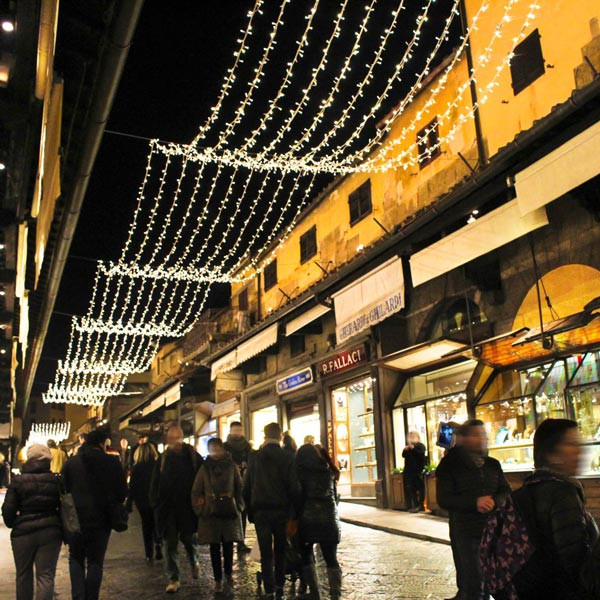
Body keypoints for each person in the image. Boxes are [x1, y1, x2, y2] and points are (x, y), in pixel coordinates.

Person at [509, 419, 599, 600]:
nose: (580, 450)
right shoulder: (562, 494)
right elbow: (576, 562)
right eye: (572, 444)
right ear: (552, 455)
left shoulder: (529, 488)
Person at [436, 419, 510, 600]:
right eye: (476, 435)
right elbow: (444, 499)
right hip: (466, 530)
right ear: (464, 439)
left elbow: (505, 491)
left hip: (494, 530)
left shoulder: (493, 464)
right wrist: (474, 502)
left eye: (483, 435)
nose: (482, 439)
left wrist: (495, 501)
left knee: (492, 580)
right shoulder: (449, 465)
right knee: (473, 581)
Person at [62, 429, 128, 600]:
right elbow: (122, 492)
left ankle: (78, 597)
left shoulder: (71, 463)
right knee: (95, 562)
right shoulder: (111, 462)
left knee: (76, 558)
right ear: (101, 443)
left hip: (75, 520)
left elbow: (63, 491)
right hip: (101, 519)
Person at [243, 422, 301, 600]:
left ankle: (269, 589)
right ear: (280, 436)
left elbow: (247, 486)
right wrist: (295, 513)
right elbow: (294, 487)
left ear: (265, 436)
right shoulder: (288, 457)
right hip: (282, 511)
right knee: (281, 549)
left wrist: (249, 511)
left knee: (266, 551)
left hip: (261, 510)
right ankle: (280, 586)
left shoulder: (254, 457)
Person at [2, 444, 62, 600]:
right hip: (50, 531)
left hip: (23, 532)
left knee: (23, 574)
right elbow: (63, 507)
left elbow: (8, 510)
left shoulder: (18, 481)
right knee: (46, 576)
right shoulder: (56, 481)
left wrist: (14, 523)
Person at [150, 425, 203, 593]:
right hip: (168, 509)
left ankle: (194, 561)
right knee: (169, 544)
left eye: (177, 438)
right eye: (171, 438)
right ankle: (174, 578)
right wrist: (155, 503)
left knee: (189, 540)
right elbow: (155, 482)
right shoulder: (163, 458)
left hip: (187, 507)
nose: (175, 442)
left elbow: (202, 478)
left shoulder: (193, 456)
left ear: (182, 438)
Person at [191, 437, 244, 593]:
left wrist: (239, 506)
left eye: (217, 448)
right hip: (211, 513)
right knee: (214, 547)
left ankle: (228, 575)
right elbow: (196, 490)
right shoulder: (204, 468)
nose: (215, 452)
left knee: (228, 546)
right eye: (212, 449)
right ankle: (218, 580)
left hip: (229, 511)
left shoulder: (231, 466)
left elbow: (240, 487)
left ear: (222, 449)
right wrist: (201, 509)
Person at [296, 443, 342, 600]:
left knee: (307, 556)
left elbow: (297, 497)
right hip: (329, 520)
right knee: (331, 558)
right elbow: (334, 496)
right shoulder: (327, 472)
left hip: (307, 520)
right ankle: (335, 594)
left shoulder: (299, 473)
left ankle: (315, 593)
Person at [127, 441, 162, 562]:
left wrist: (129, 503)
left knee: (146, 524)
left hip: (141, 500)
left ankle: (148, 553)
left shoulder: (137, 467)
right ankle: (158, 543)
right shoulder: (157, 466)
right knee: (156, 522)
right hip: (156, 499)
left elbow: (132, 486)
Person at [224, 420, 252, 553]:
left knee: (242, 513)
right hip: (229, 485)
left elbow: (251, 463)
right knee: (229, 513)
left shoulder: (247, 447)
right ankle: (229, 539)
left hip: (244, 485)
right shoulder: (225, 447)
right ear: (230, 431)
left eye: (239, 430)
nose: (237, 433)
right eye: (235, 430)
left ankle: (241, 541)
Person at [402, 431, 426, 512]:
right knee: (411, 488)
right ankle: (414, 504)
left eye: (413, 437)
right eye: (410, 437)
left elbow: (421, 454)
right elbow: (404, 455)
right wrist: (405, 450)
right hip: (409, 471)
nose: (411, 438)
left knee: (420, 488)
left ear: (418, 437)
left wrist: (413, 448)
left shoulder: (420, 446)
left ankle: (421, 505)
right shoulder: (408, 447)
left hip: (417, 471)